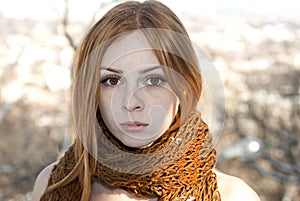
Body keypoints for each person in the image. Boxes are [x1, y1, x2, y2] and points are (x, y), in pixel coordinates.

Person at [32, 1, 260, 200]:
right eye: (111, 80)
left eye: (153, 80)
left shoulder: (232, 196)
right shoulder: (53, 184)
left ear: (185, 86)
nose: (131, 102)